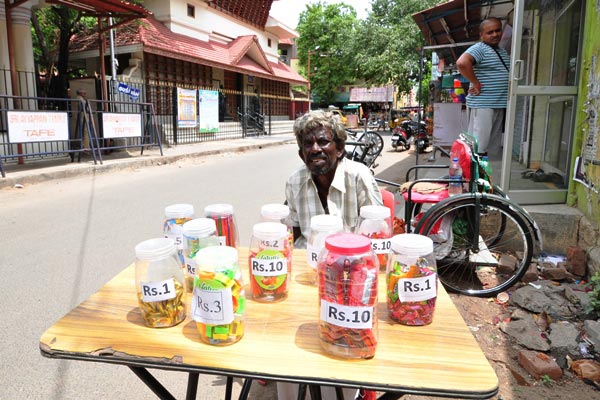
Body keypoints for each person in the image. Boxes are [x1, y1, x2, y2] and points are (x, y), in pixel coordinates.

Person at [282, 109, 382, 399]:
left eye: (323, 142)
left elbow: (377, 235)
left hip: (354, 280)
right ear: (301, 154)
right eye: (308, 144)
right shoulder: (294, 181)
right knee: (286, 348)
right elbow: (294, 233)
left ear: (339, 148)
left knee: (342, 346)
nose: (315, 149)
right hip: (308, 278)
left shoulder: (359, 177)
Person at [457, 17, 510, 156]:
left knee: (488, 147)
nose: (494, 34)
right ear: (481, 35)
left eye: (497, 30)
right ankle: (473, 176)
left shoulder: (500, 51)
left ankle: (481, 175)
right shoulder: (480, 48)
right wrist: (475, 82)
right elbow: (462, 63)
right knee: (478, 147)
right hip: (483, 104)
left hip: (497, 103)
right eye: (489, 32)